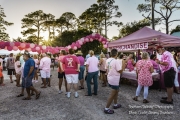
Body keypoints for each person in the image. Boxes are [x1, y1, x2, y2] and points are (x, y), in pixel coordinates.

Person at [104, 49, 122, 114]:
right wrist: (123, 66)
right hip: (115, 79)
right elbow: (119, 70)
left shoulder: (107, 60)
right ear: (116, 54)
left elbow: (106, 69)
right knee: (112, 94)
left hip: (110, 77)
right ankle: (106, 108)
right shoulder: (115, 61)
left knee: (116, 91)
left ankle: (115, 104)